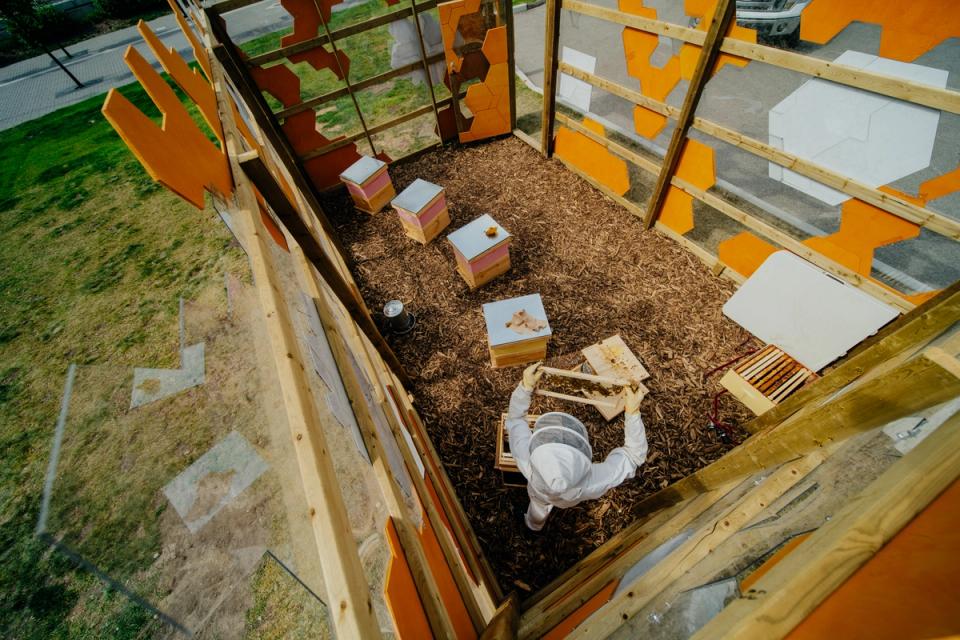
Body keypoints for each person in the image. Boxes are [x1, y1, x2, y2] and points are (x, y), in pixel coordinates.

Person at [504, 362, 649, 531]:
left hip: (538, 493)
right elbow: (633, 455)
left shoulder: (527, 463)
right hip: (569, 501)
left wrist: (525, 387)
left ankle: (534, 525)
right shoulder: (591, 483)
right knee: (545, 503)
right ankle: (535, 524)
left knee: (538, 506)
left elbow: (515, 420)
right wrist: (632, 412)